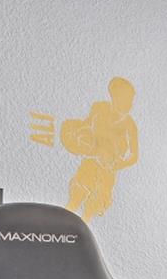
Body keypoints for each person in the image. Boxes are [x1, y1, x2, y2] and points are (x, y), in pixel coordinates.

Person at [60, 77, 140, 221]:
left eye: (131, 99)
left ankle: (82, 235)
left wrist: (116, 165)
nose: (130, 102)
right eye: (127, 97)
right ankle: (62, 230)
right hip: (90, 162)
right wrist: (76, 135)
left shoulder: (130, 125)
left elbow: (134, 156)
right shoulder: (99, 108)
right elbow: (86, 126)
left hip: (108, 170)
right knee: (76, 198)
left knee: (92, 208)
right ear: (115, 95)